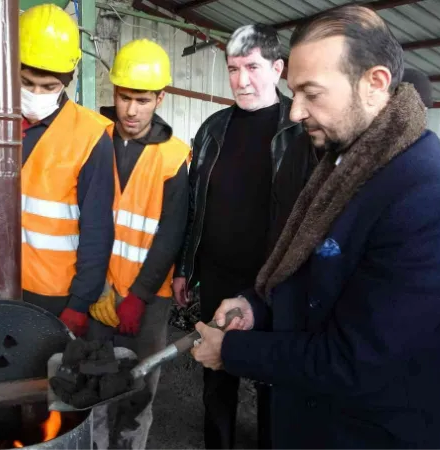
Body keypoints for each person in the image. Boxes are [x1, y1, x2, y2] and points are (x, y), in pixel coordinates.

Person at [191, 5, 440, 450]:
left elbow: (357, 361)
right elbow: (312, 279)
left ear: (375, 83)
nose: (296, 113)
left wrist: (231, 352)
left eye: (312, 93)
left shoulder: (434, 200)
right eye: (295, 93)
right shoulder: (342, 165)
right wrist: (256, 306)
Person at [172, 24, 315, 450]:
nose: (241, 80)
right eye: (233, 69)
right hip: (216, 274)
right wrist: (185, 267)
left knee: (272, 377)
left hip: (272, 281)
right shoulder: (214, 128)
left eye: (252, 67)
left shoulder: (300, 130)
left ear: (277, 68)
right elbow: (194, 206)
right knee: (216, 375)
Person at [87, 39, 190, 450]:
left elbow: (171, 233)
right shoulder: (94, 139)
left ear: (160, 98)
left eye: (142, 100)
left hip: (146, 300)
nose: (131, 110)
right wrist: (92, 287)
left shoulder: (174, 157)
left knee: (138, 386)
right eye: (124, 97)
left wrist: (139, 295)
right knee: (91, 382)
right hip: (97, 289)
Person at [17, 4, 114, 337]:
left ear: (68, 81)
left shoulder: (90, 137)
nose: (35, 95)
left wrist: (79, 302)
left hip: (55, 293)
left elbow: (97, 230)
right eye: (26, 83)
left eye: (48, 87)